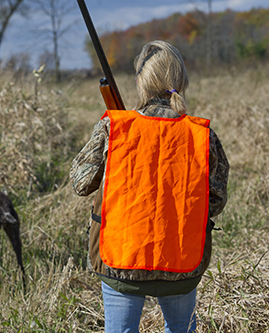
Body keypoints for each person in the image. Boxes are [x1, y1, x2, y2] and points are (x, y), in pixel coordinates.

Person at [69, 40, 229, 333]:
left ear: (140, 83)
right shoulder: (203, 136)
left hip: (122, 260)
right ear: (181, 81)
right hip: (183, 261)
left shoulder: (113, 128)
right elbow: (215, 201)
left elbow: (80, 183)